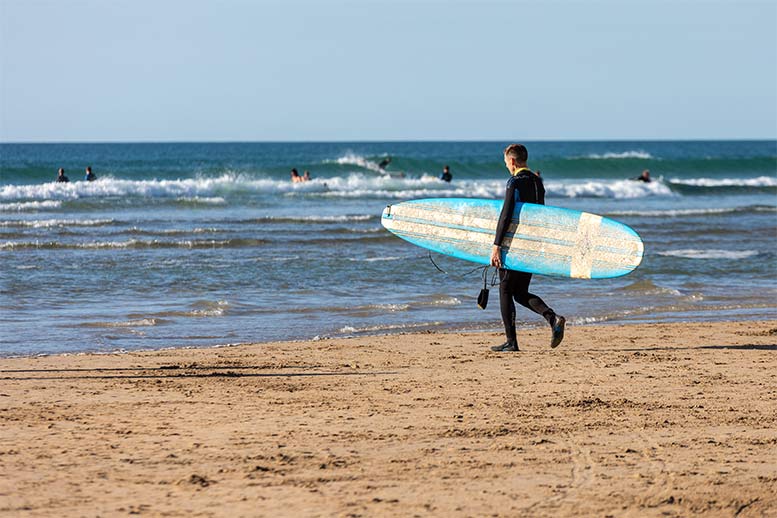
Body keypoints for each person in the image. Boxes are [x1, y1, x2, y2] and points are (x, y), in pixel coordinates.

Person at [489, 143, 565, 352]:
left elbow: (506, 214)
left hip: (514, 244)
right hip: (532, 244)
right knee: (520, 291)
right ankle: (553, 318)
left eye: (506, 162)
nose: (506, 166)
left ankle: (511, 342)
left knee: (505, 290)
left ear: (512, 161)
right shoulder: (537, 182)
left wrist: (496, 245)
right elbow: (541, 214)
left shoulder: (514, 181)